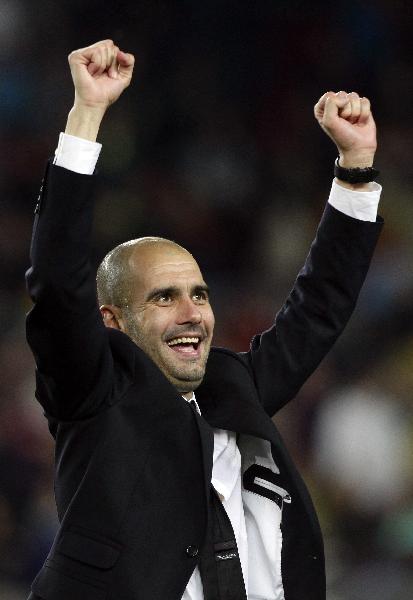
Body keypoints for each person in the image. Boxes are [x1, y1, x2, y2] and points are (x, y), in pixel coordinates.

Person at [25, 40, 383, 600]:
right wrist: (87, 113)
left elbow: (319, 308)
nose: (193, 312)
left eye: (199, 294)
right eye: (164, 298)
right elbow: (56, 282)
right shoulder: (93, 399)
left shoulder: (234, 387)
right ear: (112, 321)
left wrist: (356, 171)